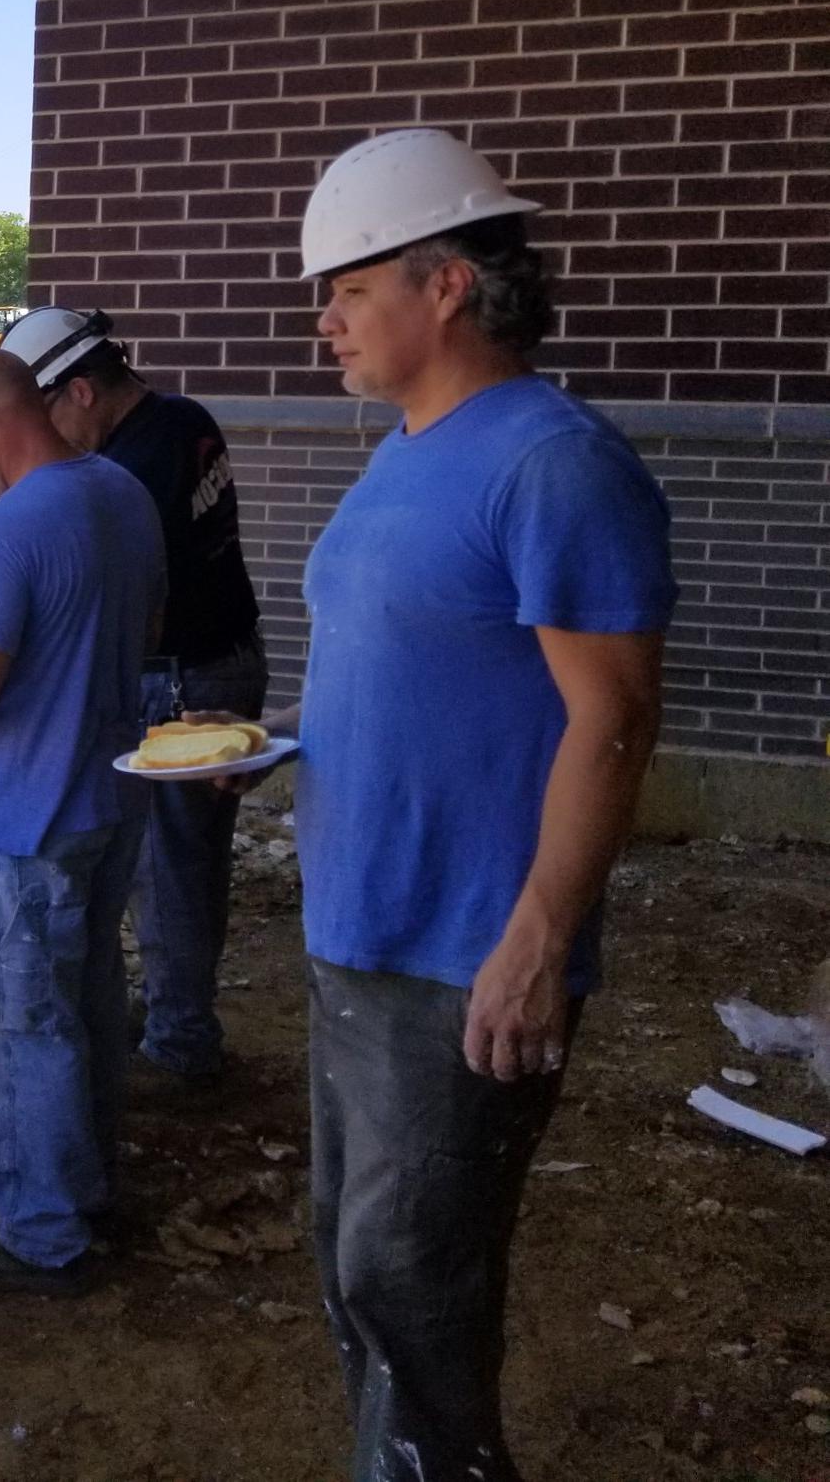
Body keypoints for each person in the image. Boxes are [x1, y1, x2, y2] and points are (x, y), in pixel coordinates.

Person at [282, 129, 673, 1479]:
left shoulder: (550, 459)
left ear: (444, 282)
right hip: (361, 931)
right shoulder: (408, 447)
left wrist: (537, 940)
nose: (321, 316)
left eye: (345, 284)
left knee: (415, 1288)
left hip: (464, 954)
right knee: (356, 1262)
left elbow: (612, 717)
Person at [0, 350, 164, 1293]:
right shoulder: (124, 494)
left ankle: (40, 1236)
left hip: (26, 816)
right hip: (106, 792)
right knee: (88, 1001)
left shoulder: (4, 532)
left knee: (26, 1023)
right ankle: (88, 1191)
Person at [0, 305, 265, 1085]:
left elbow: (113, 596)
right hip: (221, 657)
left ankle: (181, 1045)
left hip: (185, 677)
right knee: (183, 863)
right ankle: (176, 1013)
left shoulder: (131, 468)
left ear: (79, 389)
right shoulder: (183, 420)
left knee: (169, 868)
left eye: (43, 410)